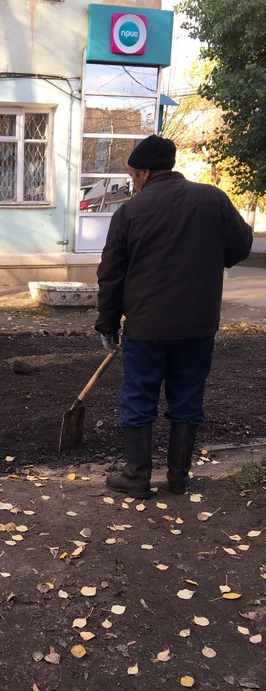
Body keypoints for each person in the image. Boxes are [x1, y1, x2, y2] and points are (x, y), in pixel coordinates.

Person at [95, 134, 253, 499]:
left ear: (146, 172)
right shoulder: (212, 198)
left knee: (139, 395)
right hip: (198, 324)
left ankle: (137, 476)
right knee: (188, 395)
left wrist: (107, 323)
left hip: (146, 326)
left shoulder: (130, 212)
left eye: (134, 176)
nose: (133, 183)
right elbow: (241, 246)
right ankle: (179, 478)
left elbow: (112, 273)